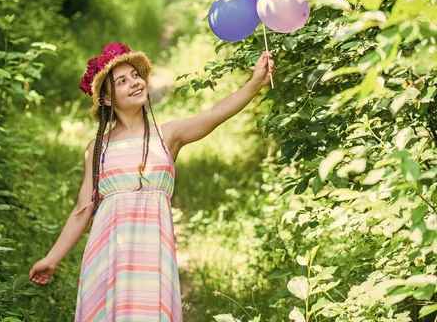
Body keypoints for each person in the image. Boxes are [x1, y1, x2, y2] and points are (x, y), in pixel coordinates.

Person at [29, 42, 275, 321]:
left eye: (136, 75)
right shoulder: (97, 148)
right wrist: (51, 259)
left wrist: (255, 83)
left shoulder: (167, 135)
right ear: (108, 99)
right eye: (122, 81)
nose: (135, 83)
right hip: (109, 256)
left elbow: (214, 114)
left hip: (153, 256)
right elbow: (82, 210)